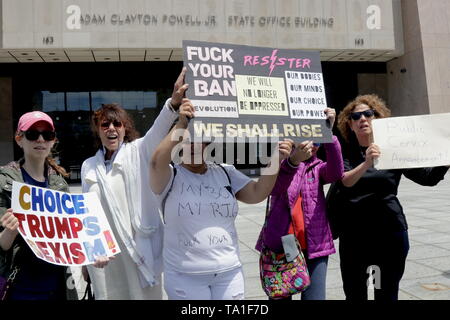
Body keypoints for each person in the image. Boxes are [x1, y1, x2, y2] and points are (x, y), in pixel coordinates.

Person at [149, 98, 294, 300]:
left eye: (200, 138)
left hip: (229, 272)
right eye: (187, 139)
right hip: (185, 277)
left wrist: (276, 159)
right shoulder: (169, 176)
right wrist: (182, 123)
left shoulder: (226, 172)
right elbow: (156, 161)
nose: (194, 145)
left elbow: (257, 193)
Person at [80, 68, 188, 299]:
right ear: (97, 130)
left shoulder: (138, 151)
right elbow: (85, 213)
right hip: (105, 256)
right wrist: (85, 257)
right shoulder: (88, 166)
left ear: (124, 128)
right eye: (105, 125)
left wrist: (173, 103)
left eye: (116, 124)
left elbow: (157, 131)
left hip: (138, 249)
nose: (111, 129)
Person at [333, 94, 449, 301]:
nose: (362, 119)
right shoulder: (343, 152)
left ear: (378, 119)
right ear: (349, 125)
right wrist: (367, 162)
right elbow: (344, 181)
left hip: (389, 233)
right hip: (354, 236)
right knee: (355, 292)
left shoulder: (393, 150)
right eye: (356, 116)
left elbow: (427, 178)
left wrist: (445, 159)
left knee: (385, 292)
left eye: (368, 114)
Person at [255, 108, 344, 300]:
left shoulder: (318, 166)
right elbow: (276, 189)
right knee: (280, 296)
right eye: (305, 138)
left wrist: (329, 133)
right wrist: (292, 162)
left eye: (317, 140)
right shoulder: (278, 161)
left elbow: (337, 173)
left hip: (315, 245)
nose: (311, 145)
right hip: (281, 245)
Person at [0, 111, 78, 300]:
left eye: (47, 135)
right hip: (21, 285)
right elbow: (2, 244)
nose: (41, 139)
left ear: (53, 141)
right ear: (19, 139)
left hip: (58, 284)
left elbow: (73, 235)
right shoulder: (4, 182)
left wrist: (92, 253)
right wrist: (9, 231)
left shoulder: (60, 184)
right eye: (33, 134)